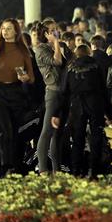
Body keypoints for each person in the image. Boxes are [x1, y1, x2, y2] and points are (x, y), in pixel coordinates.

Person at [0, 18, 35, 175]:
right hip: (1, 95)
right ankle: (5, 167)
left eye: (9, 28)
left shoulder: (23, 51)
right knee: (5, 131)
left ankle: (15, 166)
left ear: (16, 31)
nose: (5, 31)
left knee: (16, 133)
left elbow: (32, 77)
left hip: (17, 95)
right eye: (3, 28)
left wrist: (25, 78)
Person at [53, 44, 112, 177]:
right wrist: (110, 113)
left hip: (77, 106)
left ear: (76, 54)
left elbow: (64, 93)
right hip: (95, 104)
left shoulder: (70, 68)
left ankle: (76, 171)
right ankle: (94, 171)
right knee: (96, 138)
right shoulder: (96, 66)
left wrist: (57, 113)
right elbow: (103, 90)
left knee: (77, 140)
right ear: (89, 54)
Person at [33, 23, 65, 175]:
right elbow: (57, 62)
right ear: (45, 33)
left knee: (57, 133)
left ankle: (56, 169)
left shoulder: (54, 47)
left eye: (56, 30)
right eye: (52, 31)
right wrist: (57, 42)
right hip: (53, 93)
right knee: (47, 131)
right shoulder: (41, 49)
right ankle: (43, 169)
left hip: (62, 92)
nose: (56, 33)